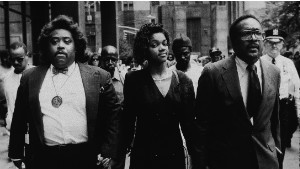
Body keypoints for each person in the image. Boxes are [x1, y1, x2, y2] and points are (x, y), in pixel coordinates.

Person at [8, 15, 121, 169]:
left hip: (85, 158)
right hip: (44, 159)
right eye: (54, 41)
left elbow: (113, 116)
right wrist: (15, 151)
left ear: (76, 46)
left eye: (67, 41)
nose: (60, 45)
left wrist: (109, 151)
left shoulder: (99, 77)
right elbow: (19, 118)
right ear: (46, 47)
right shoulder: (30, 77)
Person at [195, 15, 281, 169]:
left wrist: (278, 155)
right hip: (227, 160)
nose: (254, 39)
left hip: (266, 161)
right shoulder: (213, 73)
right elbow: (202, 126)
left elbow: (274, 122)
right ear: (233, 41)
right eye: (247, 33)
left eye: (258, 33)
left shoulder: (273, 72)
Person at [121, 23, 198, 169]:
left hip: (173, 155)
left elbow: (189, 126)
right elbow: (127, 122)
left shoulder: (183, 80)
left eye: (164, 43)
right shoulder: (134, 80)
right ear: (145, 48)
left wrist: (197, 158)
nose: (162, 48)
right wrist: (119, 154)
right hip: (144, 155)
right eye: (154, 44)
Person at [261, 28, 300, 168]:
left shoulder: (288, 63)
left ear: (282, 45)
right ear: (264, 44)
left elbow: (297, 89)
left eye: (278, 43)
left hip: (283, 108)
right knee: (264, 144)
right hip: (265, 109)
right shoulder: (258, 63)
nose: (274, 46)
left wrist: (298, 113)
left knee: (281, 144)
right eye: (270, 42)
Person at [3, 42, 32, 131]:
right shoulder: (6, 78)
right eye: (12, 59)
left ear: (27, 55)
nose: (15, 62)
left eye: (19, 59)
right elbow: (8, 101)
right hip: (14, 129)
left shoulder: (37, 75)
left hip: (33, 129)